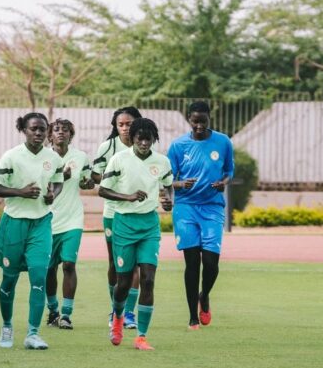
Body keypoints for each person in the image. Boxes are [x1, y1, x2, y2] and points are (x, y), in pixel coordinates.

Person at [0, 112, 63, 350]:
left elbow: (59, 180)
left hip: (41, 223)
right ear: (25, 130)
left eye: (42, 129)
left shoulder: (52, 157)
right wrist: (20, 192)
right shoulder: (12, 156)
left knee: (39, 276)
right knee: (9, 280)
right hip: (14, 224)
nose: (39, 133)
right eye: (34, 129)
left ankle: (33, 333)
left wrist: (53, 193)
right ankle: (7, 325)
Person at [99, 118, 173, 351]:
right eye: (139, 137)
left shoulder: (161, 161)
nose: (143, 142)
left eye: (147, 138)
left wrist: (168, 199)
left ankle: (141, 336)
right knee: (123, 281)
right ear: (132, 138)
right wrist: (127, 197)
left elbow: (168, 184)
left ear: (154, 139)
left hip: (149, 225)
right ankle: (118, 318)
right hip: (123, 224)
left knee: (148, 279)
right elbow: (102, 189)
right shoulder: (119, 159)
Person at [167, 101, 234, 329]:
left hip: (212, 207)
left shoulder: (223, 142)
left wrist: (223, 183)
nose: (198, 125)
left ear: (209, 119)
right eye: (194, 121)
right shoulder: (177, 146)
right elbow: (168, 180)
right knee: (192, 262)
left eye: (202, 121)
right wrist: (179, 184)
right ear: (189, 119)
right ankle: (192, 317)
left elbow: (229, 172)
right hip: (185, 208)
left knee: (212, 263)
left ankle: (203, 295)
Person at [91, 106, 143, 329]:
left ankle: (129, 313)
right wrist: (113, 178)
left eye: (128, 124)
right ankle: (116, 308)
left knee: (136, 265)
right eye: (120, 124)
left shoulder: (145, 144)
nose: (124, 128)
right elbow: (95, 176)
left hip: (138, 213)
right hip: (113, 212)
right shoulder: (108, 146)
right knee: (116, 262)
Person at [45, 119, 94, 330]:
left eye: (65, 130)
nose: (61, 133)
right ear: (50, 135)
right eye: (56, 130)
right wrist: (59, 177)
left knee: (69, 265)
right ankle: (53, 309)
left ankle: (66, 314)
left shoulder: (80, 156)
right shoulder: (43, 157)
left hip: (72, 219)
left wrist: (87, 182)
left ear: (71, 135)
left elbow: (88, 180)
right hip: (47, 220)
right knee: (48, 269)